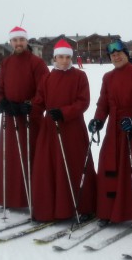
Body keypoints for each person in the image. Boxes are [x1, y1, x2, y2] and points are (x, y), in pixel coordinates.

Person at [88, 39, 132, 227]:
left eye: (119, 53)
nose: (116, 57)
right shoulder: (107, 77)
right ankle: (107, 210)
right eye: (112, 55)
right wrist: (98, 120)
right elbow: (103, 104)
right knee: (109, 165)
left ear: (126, 54)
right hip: (114, 130)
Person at [30, 39, 96, 222]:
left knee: (74, 165)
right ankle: (50, 207)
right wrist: (30, 110)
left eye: (68, 57)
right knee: (50, 167)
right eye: (61, 57)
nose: (64, 61)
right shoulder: (47, 78)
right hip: (51, 129)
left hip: (72, 128)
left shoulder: (80, 77)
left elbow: (83, 102)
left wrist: (65, 112)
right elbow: (39, 101)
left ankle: (82, 206)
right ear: (54, 58)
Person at [0, 26, 50, 210]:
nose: (18, 43)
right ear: (10, 42)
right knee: (10, 156)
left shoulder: (36, 63)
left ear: (27, 41)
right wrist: (2, 103)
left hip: (29, 118)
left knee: (30, 155)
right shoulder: (6, 63)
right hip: (11, 118)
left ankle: (33, 195)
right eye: (15, 40)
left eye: (21, 40)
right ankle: (9, 195)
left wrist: (31, 105)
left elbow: (44, 90)